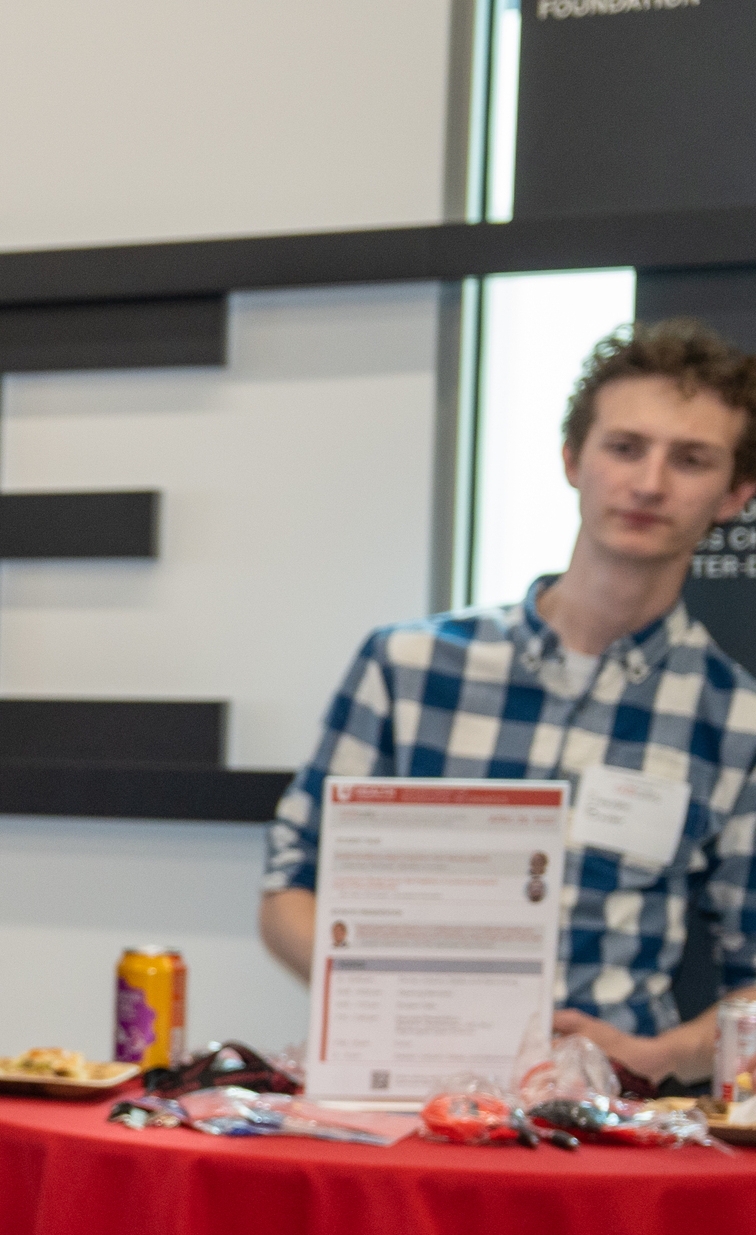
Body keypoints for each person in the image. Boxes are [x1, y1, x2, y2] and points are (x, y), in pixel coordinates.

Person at [263, 318, 756, 1082]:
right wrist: (387, 998)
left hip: (611, 1124)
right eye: (625, 447)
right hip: (403, 1101)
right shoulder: (408, 663)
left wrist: (653, 1058)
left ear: (735, 494)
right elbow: (290, 884)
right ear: (572, 460)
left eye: (691, 459)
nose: (651, 482)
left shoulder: (738, 721)